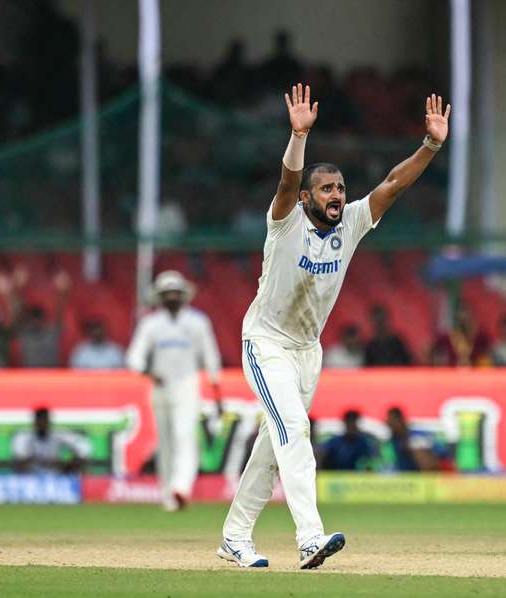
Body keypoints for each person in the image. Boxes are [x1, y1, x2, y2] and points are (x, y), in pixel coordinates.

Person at [218, 84, 450, 569]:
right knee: (295, 430)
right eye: (326, 189)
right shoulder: (285, 221)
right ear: (306, 197)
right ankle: (310, 539)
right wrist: (298, 137)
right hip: (266, 343)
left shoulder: (352, 224)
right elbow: (285, 183)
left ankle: (235, 536)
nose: (337, 196)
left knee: (273, 443)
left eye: (341, 188)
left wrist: (429, 145)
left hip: (307, 351)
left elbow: (392, 183)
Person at [127, 270, 223, 512]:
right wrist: (148, 372)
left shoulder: (198, 322)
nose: (171, 297)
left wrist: (215, 387)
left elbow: (211, 356)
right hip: (159, 388)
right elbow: (134, 357)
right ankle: (169, 496)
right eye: (166, 293)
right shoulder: (151, 324)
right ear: (159, 296)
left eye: (175, 293)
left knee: (184, 436)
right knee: (165, 442)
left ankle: (181, 487)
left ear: (183, 295)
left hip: (187, 386)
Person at [12, 407, 91, 474]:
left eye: (44, 420)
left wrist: (68, 463)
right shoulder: (24, 435)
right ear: (35, 421)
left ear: (49, 421)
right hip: (31, 477)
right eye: (40, 420)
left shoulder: (58, 434)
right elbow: (20, 458)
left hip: (57, 476)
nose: (42, 424)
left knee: (80, 464)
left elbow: (83, 448)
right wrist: (40, 461)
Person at [383, 407, 446, 471]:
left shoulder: (418, 435)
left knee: (417, 445)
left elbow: (441, 453)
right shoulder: (390, 442)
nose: (390, 425)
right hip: (401, 473)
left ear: (400, 420)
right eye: (388, 422)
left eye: (392, 421)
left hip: (429, 470)